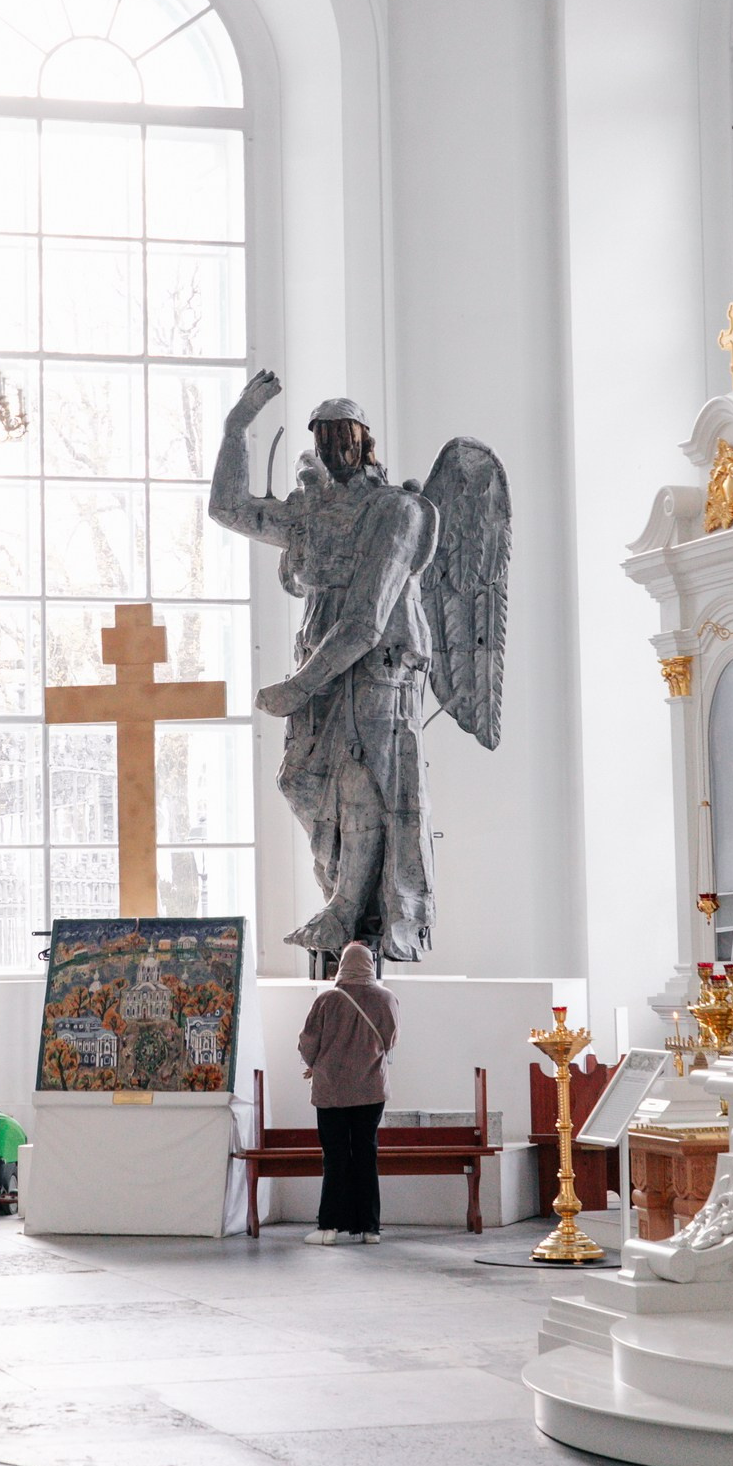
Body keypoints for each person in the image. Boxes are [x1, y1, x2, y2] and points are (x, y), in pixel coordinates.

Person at [209, 370, 439, 962]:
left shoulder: (398, 510)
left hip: (376, 665)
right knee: (299, 780)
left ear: (365, 442)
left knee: (362, 786)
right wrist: (237, 426)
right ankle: (342, 894)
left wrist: (295, 686)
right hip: (320, 658)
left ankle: (347, 911)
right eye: (324, 435)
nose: (335, 446)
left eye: (346, 434)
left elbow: (366, 618)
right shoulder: (311, 514)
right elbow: (229, 509)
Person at [297, 941, 400, 1244]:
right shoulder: (386, 999)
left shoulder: (327, 1000)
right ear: (370, 964)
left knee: (335, 1157)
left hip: (331, 1091)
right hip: (371, 1090)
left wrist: (314, 1063)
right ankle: (370, 1229)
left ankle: (328, 1228)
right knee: (367, 1154)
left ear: (342, 964)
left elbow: (307, 1044)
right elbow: (391, 1040)